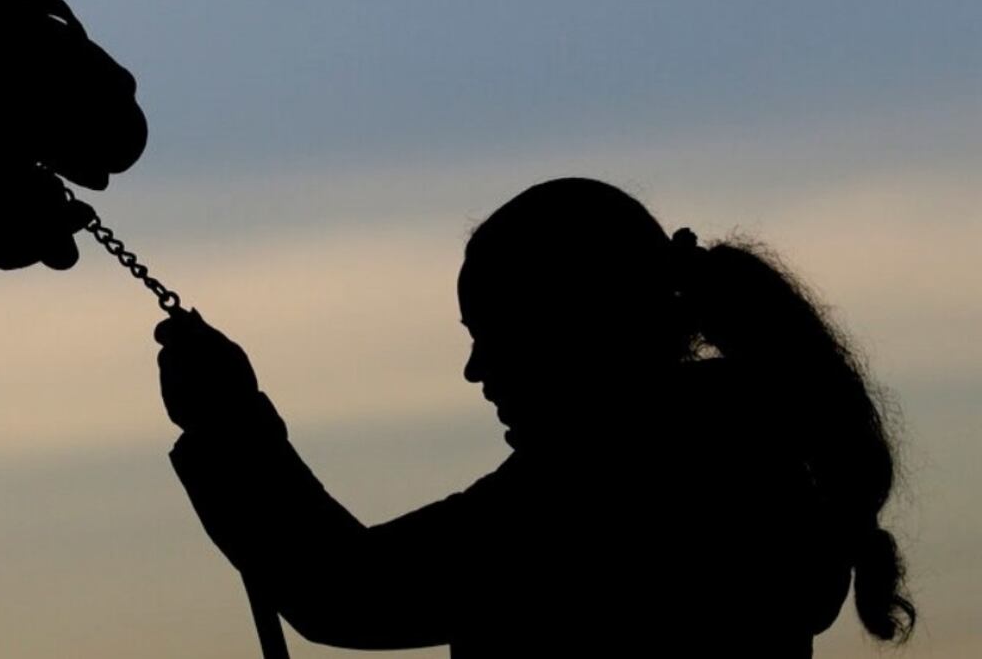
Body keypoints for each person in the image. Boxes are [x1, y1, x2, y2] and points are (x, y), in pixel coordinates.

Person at [154, 177, 915, 657]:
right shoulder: (751, 465)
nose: (477, 372)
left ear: (573, 326)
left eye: (497, 338)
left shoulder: (595, 491)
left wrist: (230, 433)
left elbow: (349, 592)